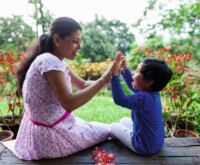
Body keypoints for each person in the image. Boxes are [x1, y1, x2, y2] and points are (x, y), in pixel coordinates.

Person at [10, 17, 115, 160]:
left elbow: (82, 85)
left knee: (100, 127)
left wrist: (111, 80)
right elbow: (69, 103)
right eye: (75, 41)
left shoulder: (52, 60)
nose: (79, 46)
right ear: (57, 39)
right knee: (109, 129)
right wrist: (104, 78)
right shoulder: (50, 62)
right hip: (51, 138)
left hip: (41, 133)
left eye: (79, 41)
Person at [110, 52, 172, 155]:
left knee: (112, 126)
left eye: (138, 71)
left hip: (144, 146)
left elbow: (120, 99)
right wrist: (125, 70)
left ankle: (128, 141)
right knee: (123, 120)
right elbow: (134, 84)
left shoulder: (144, 98)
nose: (134, 73)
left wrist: (115, 76)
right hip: (155, 143)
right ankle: (131, 135)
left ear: (149, 81)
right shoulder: (153, 94)